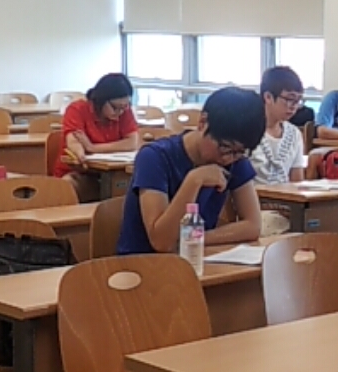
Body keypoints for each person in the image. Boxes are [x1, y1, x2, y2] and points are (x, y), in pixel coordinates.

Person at [117, 87, 266, 255]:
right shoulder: (154, 157)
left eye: (240, 152)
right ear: (202, 122)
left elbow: (253, 225)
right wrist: (194, 181)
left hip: (193, 256)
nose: (228, 159)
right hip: (142, 262)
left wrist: (196, 237)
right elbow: (162, 242)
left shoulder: (235, 159)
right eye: (225, 147)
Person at [54, 73, 139, 202]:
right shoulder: (77, 109)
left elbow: (132, 142)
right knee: (70, 184)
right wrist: (81, 152)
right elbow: (74, 142)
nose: (120, 112)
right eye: (115, 107)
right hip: (82, 173)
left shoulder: (124, 111)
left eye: (124, 107)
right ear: (101, 99)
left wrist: (93, 148)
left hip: (113, 174)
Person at [249, 67, 306, 236]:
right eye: (288, 99)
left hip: (287, 206)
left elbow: (297, 182)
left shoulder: (294, 134)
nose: (293, 107)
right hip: (254, 207)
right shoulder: (248, 131)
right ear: (268, 97)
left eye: (298, 101)